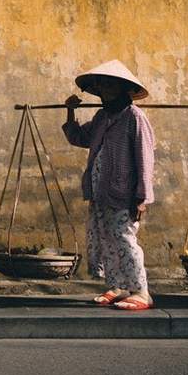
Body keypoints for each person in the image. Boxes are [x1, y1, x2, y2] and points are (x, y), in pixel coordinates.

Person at [62, 59, 156, 311]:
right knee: (106, 239)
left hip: (124, 193)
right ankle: (118, 286)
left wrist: (143, 197)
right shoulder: (103, 117)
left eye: (111, 88)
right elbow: (79, 137)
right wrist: (70, 111)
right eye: (102, 89)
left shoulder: (135, 118)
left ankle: (141, 291)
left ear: (125, 90)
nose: (105, 93)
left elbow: (145, 158)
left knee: (124, 239)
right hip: (100, 191)